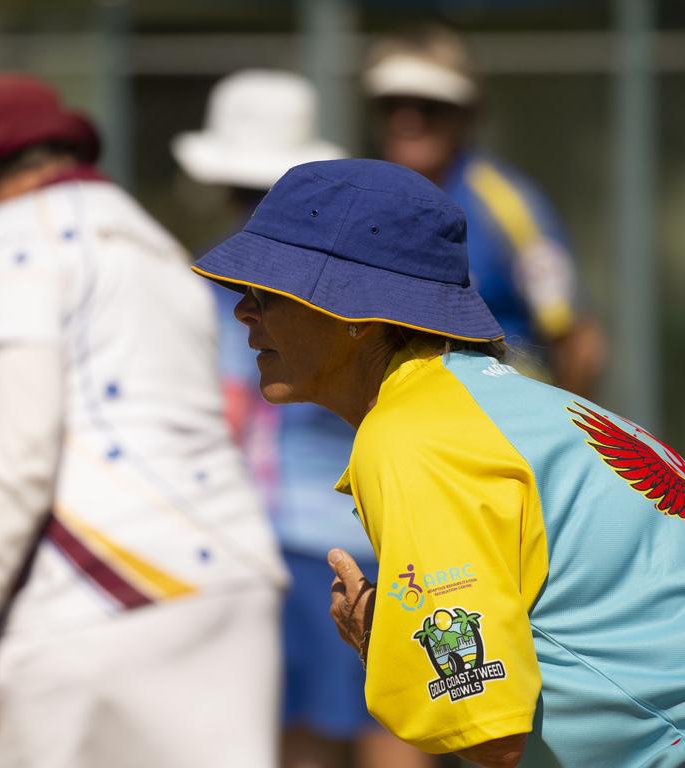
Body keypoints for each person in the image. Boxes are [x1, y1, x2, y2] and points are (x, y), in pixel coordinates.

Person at [190, 157, 685, 767]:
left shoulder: (412, 434)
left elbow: (488, 734)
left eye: (268, 291)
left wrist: (387, 644)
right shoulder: (514, 405)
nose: (244, 310)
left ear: (357, 314)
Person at [0, 73, 287, 768]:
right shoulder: (153, 239)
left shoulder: (15, 232)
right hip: (234, 578)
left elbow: (21, 450)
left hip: (99, 586)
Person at [172, 69, 429, 768]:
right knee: (401, 716)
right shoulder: (362, 271)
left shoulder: (237, 284)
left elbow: (227, 413)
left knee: (300, 734)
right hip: (396, 524)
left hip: (285, 536)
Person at [364, 26, 605, 396]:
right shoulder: (357, 199)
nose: (407, 121)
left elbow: (577, 343)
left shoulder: (507, 206)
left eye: (430, 106)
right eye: (392, 104)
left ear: (468, 114)